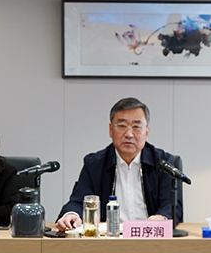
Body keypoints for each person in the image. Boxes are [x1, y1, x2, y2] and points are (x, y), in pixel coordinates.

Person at [55, 97, 182, 231]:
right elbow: (79, 201)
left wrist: (161, 218)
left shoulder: (163, 164)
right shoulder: (95, 164)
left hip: (149, 236)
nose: (129, 134)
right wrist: (71, 215)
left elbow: (172, 206)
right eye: (122, 126)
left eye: (136, 127)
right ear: (111, 130)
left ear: (146, 133)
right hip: (109, 238)